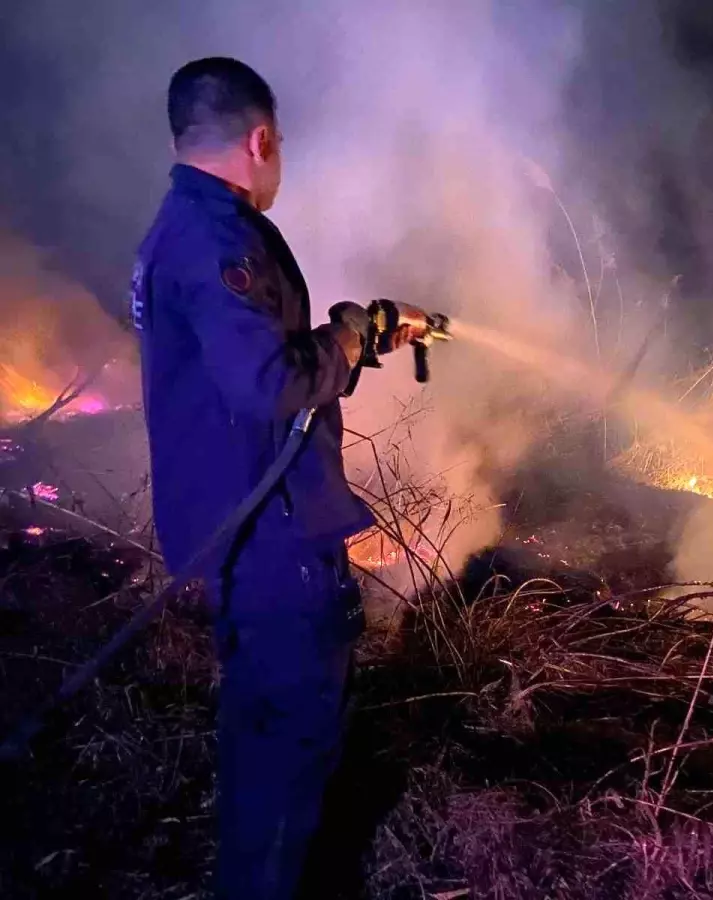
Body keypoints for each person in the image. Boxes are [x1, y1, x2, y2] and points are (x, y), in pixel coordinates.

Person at [129, 57, 422, 899]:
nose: (280, 156)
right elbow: (267, 385)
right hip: (269, 537)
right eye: (279, 142)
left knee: (260, 735)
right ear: (260, 139)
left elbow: (250, 366)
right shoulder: (219, 240)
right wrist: (348, 341)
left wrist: (355, 341)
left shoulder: (180, 227)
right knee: (294, 747)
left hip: (231, 526)